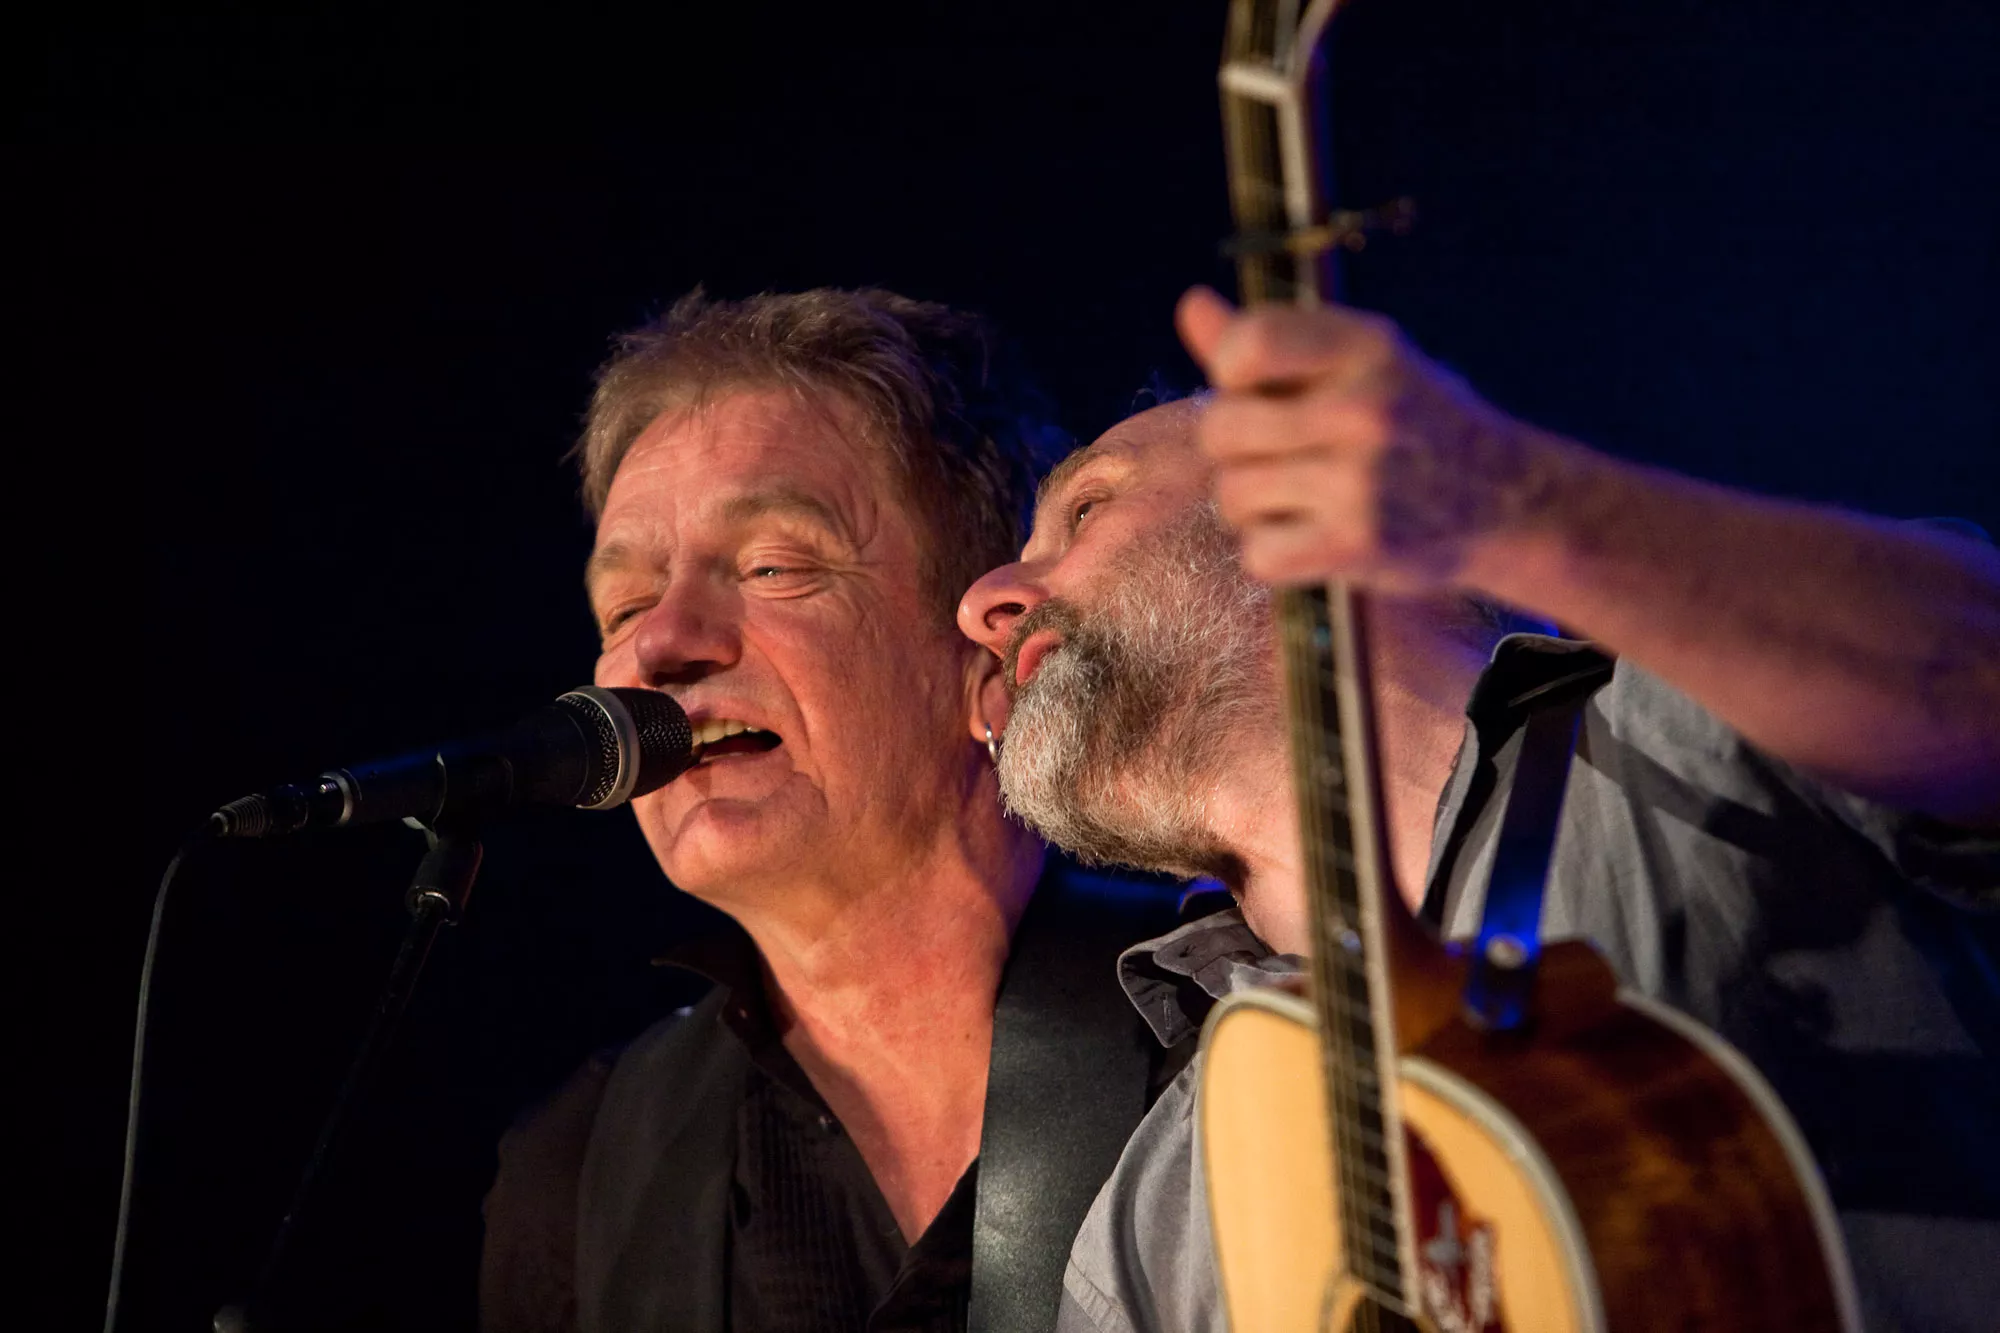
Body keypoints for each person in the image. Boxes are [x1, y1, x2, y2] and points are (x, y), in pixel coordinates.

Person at [956, 287, 2000, 1333]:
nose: (983, 603)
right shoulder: (1157, 1224)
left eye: (1083, 511)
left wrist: (1509, 498)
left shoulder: (1707, 724)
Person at [478, 287, 1085, 1333]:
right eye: (625, 605)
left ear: (994, 660)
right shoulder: (578, 1174)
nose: (661, 643)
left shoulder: (1240, 1039)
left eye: (772, 566)